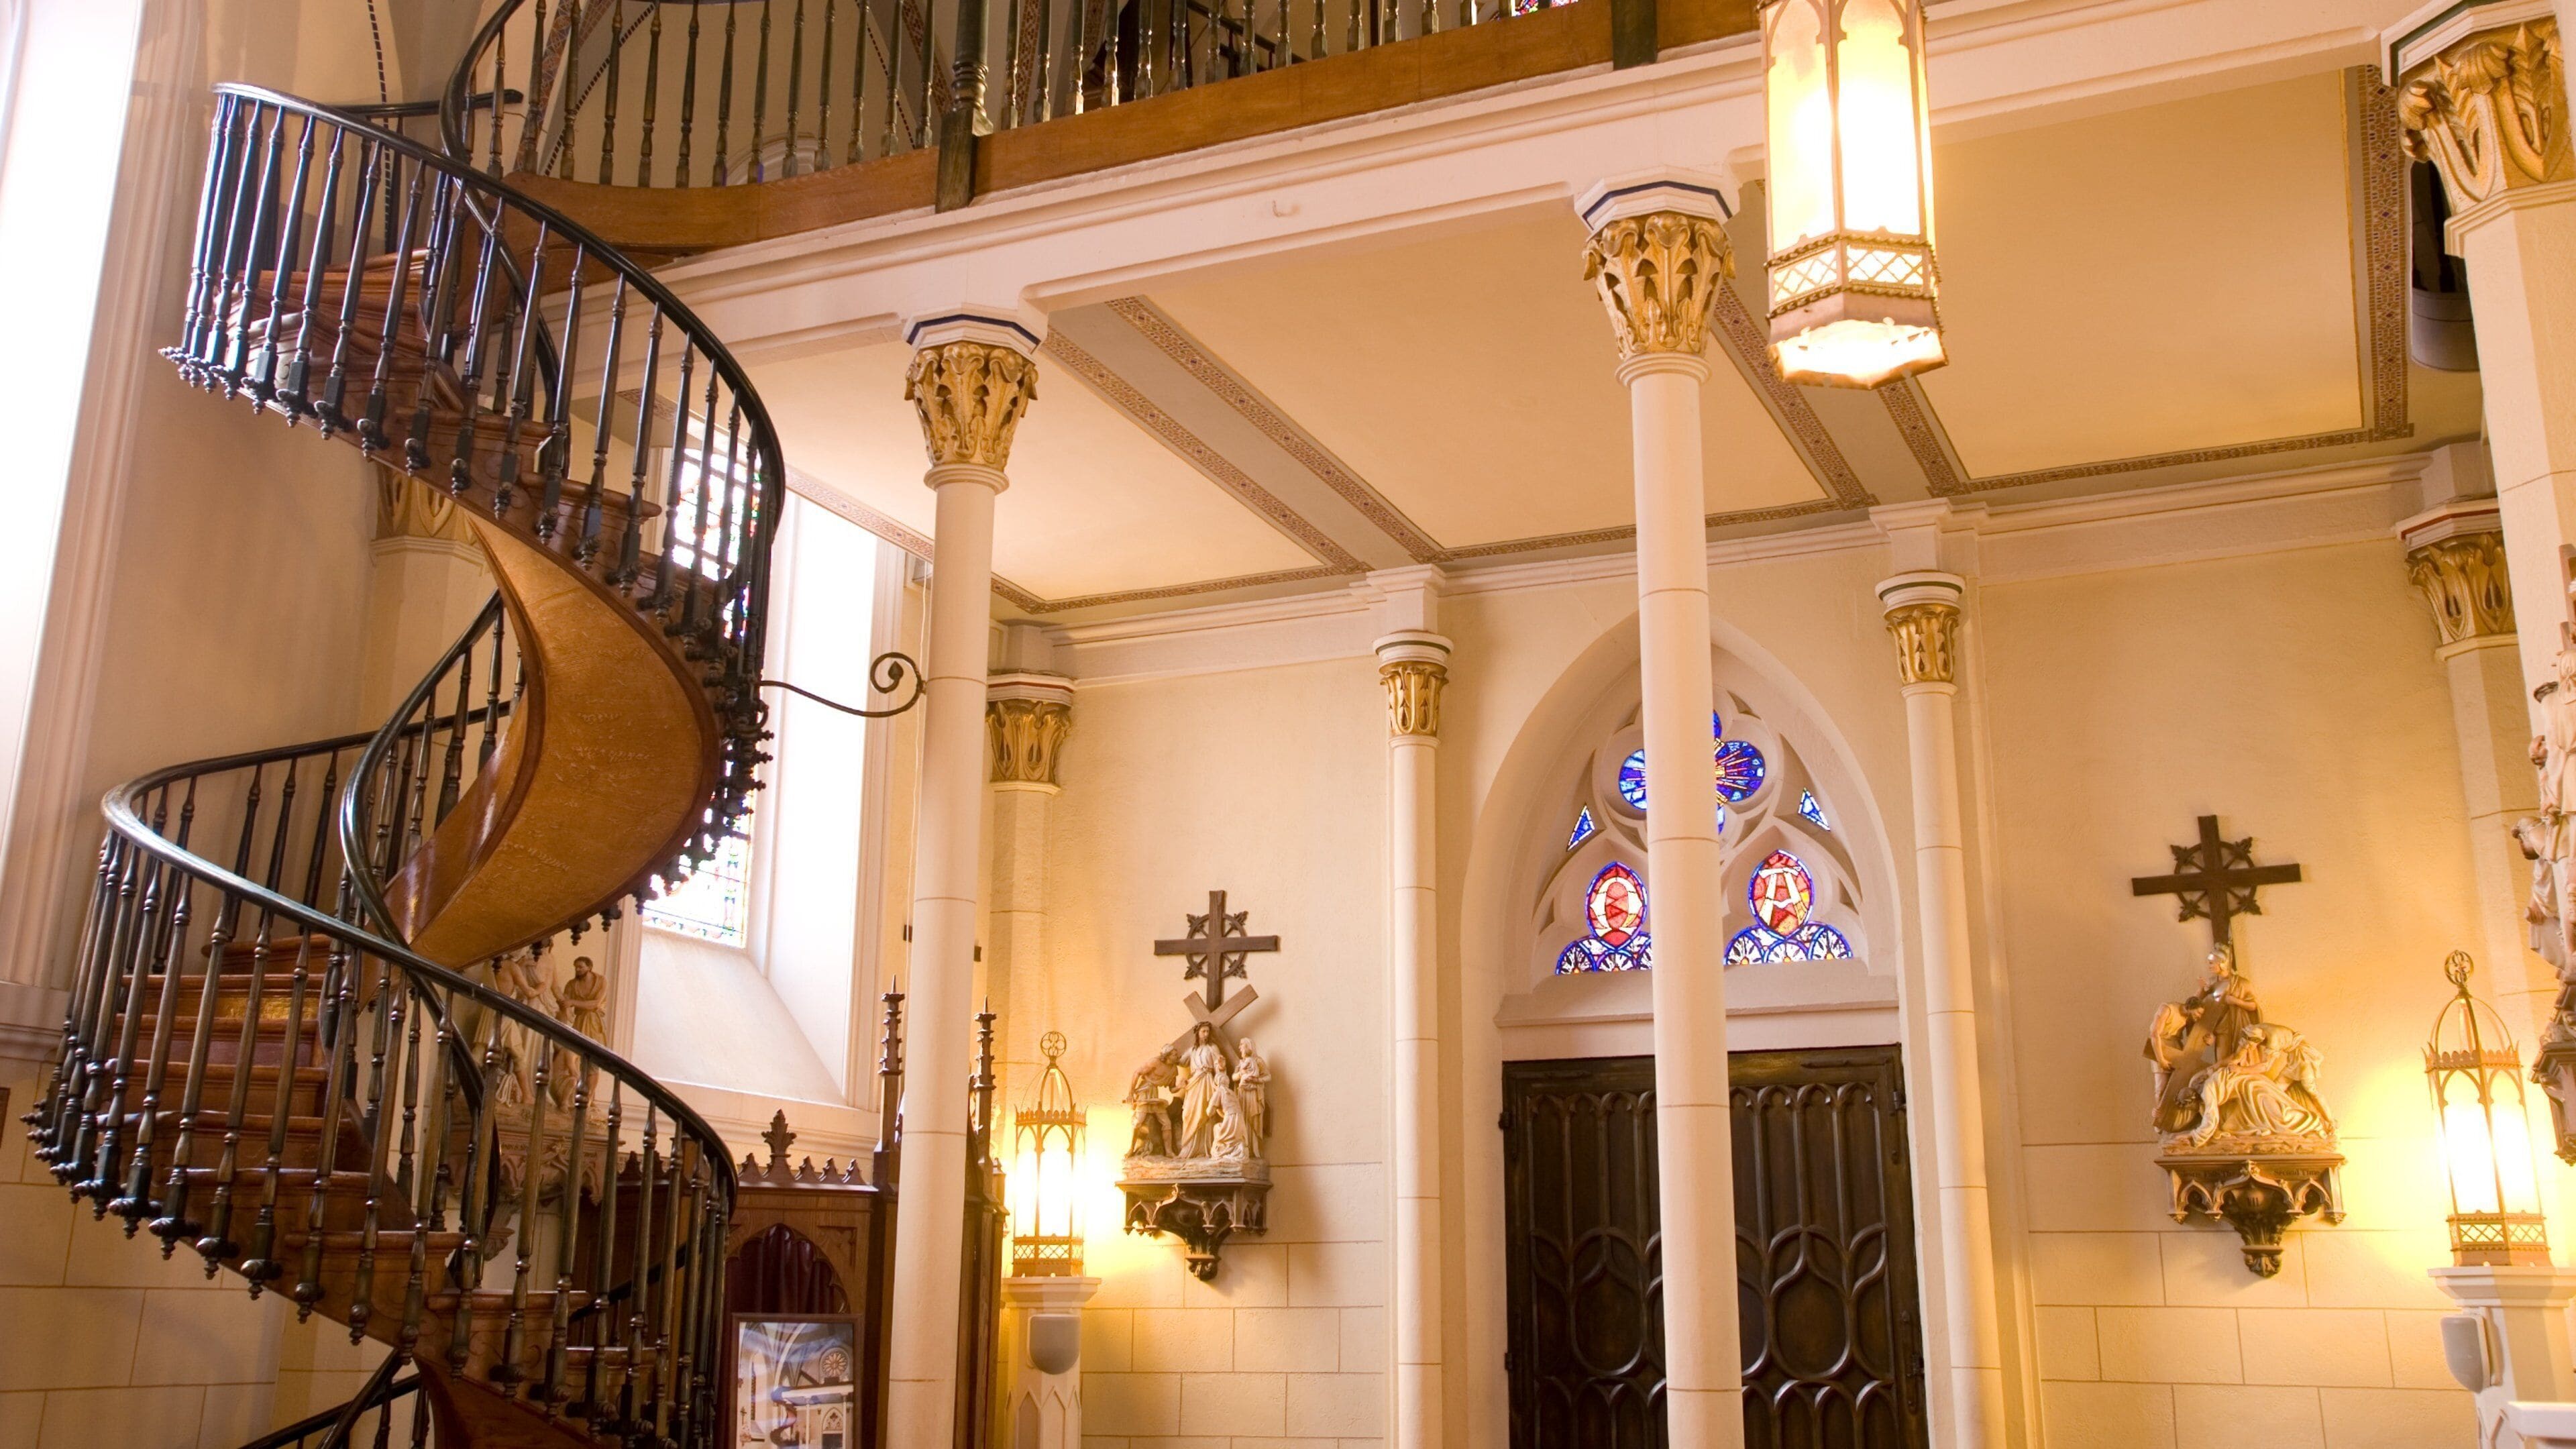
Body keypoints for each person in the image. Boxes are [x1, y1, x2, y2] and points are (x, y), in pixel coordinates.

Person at [1175, 1023, 1230, 1158]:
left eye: (1207, 1032)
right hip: (1194, 1083)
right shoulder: (1192, 1050)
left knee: (1205, 1111)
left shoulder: (1212, 1048)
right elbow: (1180, 1061)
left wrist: (1221, 1067)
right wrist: (1168, 1057)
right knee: (1188, 1113)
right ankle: (1188, 1147)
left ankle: (1205, 1148)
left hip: (1207, 1081)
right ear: (1198, 1033)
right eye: (1203, 1031)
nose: (1206, 1034)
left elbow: (1218, 1066)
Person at [1232, 1038, 1271, 1152]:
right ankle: (1242, 1148)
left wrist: (1256, 1080)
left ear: (1248, 1046)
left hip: (1253, 1094)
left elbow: (1268, 1076)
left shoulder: (1258, 1061)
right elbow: (1234, 1077)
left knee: (1252, 1118)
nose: (1239, 1048)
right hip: (1242, 1094)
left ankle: (1252, 1149)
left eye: (1241, 1045)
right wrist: (1241, 1074)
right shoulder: (1241, 1063)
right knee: (1242, 1118)